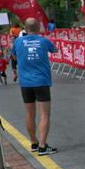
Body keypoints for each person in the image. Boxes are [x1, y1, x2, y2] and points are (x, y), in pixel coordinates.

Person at [12, 17, 58, 156]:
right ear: (38, 28)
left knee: (30, 114)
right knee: (44, 114)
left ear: (24, 29)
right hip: (41, 81)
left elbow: (13, 56)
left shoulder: (17, 42)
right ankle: (43, 146)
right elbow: (54, 50)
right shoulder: (44, 41)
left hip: (25, 83)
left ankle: (34, 142)